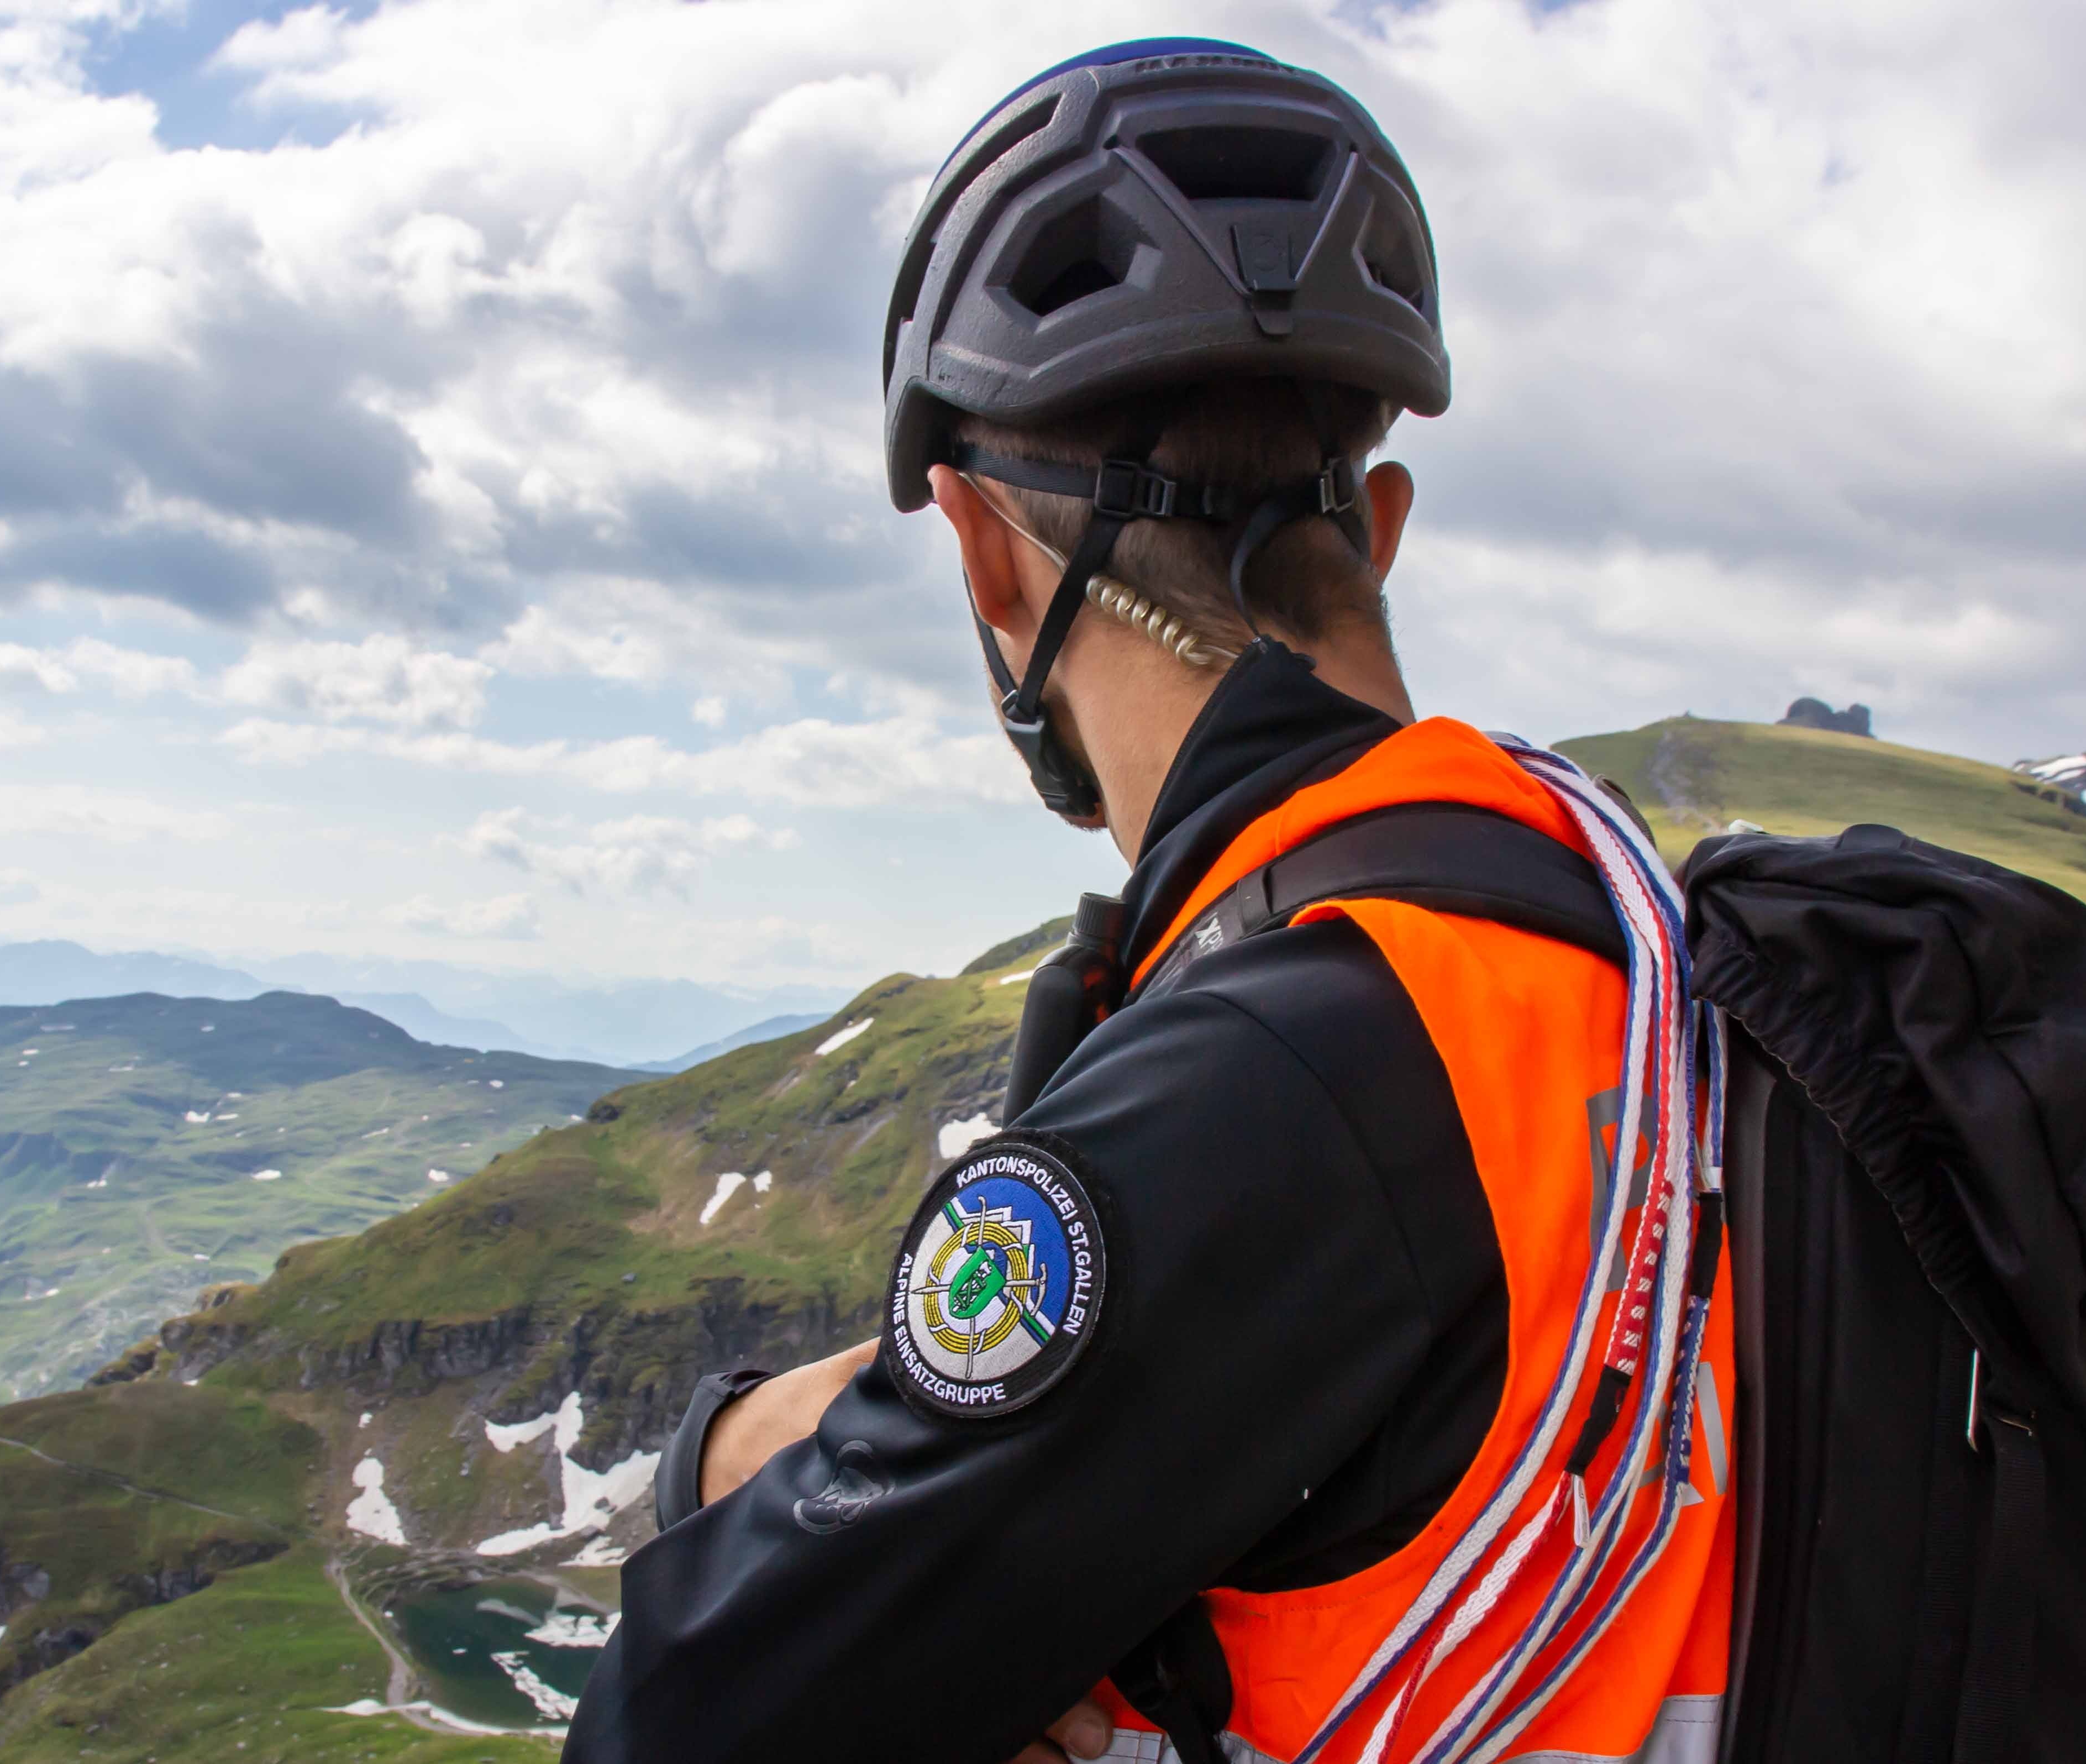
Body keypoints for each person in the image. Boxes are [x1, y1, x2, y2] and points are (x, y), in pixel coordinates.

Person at [566, 39, 1736, 1764]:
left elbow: (678, 1723)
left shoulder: (1288, 1069)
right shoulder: (1631, 941)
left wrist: (721, 1459)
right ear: (1383, 529)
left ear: (983, 552)